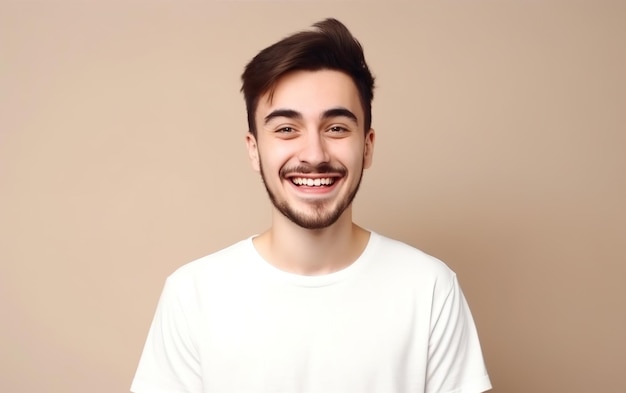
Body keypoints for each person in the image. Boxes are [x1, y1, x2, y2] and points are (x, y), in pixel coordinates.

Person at [131, 18, 492, 393]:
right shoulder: (192, 294)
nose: (315, 154)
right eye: (287, 129)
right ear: (254, 149)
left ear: (367, 146)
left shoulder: (429, 287)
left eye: (336, 128)